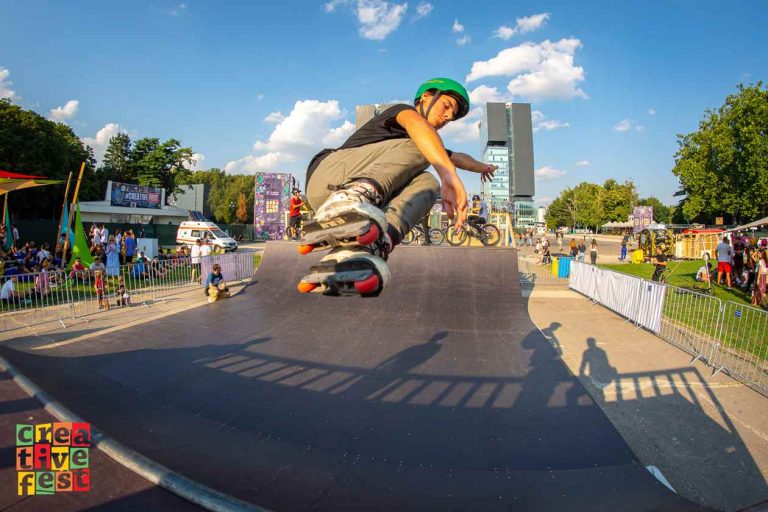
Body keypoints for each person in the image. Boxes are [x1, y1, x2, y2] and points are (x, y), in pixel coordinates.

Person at [297, 77, 495, 296]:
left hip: (344, 196)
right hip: (329, 175)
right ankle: (349, 199)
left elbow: (457, 157)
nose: (448, 116)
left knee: (428, 183)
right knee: (424, 142)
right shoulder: (402, 113)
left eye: (452, 116)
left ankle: (366, 249)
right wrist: (449, 175)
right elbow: (419, 128)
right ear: (426, 97)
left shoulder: (424, 143)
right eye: (447, 106)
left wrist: (484, 167)